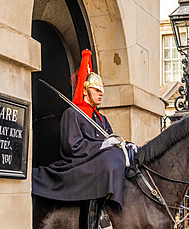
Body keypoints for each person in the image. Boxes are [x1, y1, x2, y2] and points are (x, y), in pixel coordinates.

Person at [32, 50, 126, 229]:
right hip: (79, 163)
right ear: (85, 90)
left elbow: (111, 139)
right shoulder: (72, 114)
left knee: (117, 157)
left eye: (102, 90)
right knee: (108, 161)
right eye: (96, 90)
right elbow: (72, 146)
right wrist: (101, 147)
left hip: (97, 162)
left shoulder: (101, 119)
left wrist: (122, 145)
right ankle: (97, 217)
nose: (101, 94)